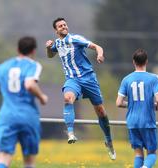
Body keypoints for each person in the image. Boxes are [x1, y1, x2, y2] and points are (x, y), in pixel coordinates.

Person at [45, 17, 116, 160]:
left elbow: (97, 46)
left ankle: (109, 141)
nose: (64, 27)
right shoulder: (57, 43)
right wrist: (48, 47)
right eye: (60, 26)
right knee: (67, 98)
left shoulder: (76, 39)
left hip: (89, 79)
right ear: (56, 30)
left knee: (101, 111)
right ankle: (70, 133)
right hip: (73, 80)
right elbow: (51, 55)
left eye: (65, 24)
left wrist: (100, 55)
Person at [0, 36, 48, 168]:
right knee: (29, 161)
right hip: (27, 116)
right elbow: (30, 84)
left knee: (3, 158)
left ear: (17, 49)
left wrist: (4, 90)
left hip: (7, 117)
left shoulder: (3, 66)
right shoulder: (33, 65)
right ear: (34, 51)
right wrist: (42, 97)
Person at [116, 48, 158, 168]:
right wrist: (157, 107)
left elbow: (118, 103)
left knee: (138, 154)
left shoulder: (126, 79)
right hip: (147, 121)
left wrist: (131, 104)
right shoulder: (153, 78)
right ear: (146, 61)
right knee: (152, 153)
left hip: (132, 122)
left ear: (133, 62)